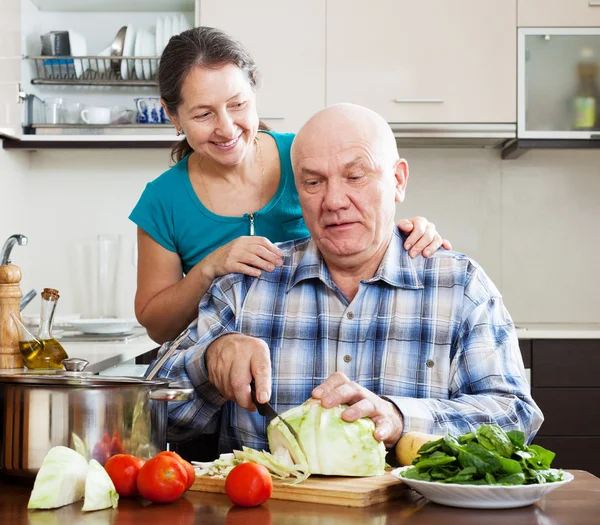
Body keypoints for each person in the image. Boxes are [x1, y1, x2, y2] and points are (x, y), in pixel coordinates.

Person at [151, 103, 543, 454]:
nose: (334, 201)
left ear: (398, 181)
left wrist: (400, 418)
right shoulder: (247, 283)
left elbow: (515, 417)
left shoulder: (459, 287)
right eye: (313, 182)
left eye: (355, 176)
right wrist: (208, 363)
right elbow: (148, 415)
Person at [129, 27, 450, 345]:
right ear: (173, 115)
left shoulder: (307, 157)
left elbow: (367, 232)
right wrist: (210, 267)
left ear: (254, 90)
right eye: (203, 114)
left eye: (237, 105)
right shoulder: (162, 200)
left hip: (324, 352)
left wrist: (411, 233)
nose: (226, 128)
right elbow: (158, 328)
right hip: (218, 375)